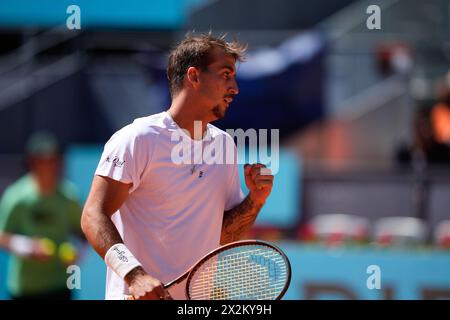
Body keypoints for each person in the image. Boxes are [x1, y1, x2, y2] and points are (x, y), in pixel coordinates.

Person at [81, 33, 275, 300]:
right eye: (226, 74)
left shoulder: (225, 146)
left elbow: (221, 238)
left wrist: (255, 200)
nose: (235, 88)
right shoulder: (138, 138)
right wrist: (135, 275)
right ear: (194, 76)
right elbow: (93, 215)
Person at [0, 131, 83, 300]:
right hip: (25, 288)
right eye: (42, 160)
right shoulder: (16, 197)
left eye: (52, 160)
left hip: (61, 285)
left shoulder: (69, 196)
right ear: (32, 163)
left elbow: (83, 234)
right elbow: (2, 236)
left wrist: (77, 252)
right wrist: (28, 247)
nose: (48, 166)